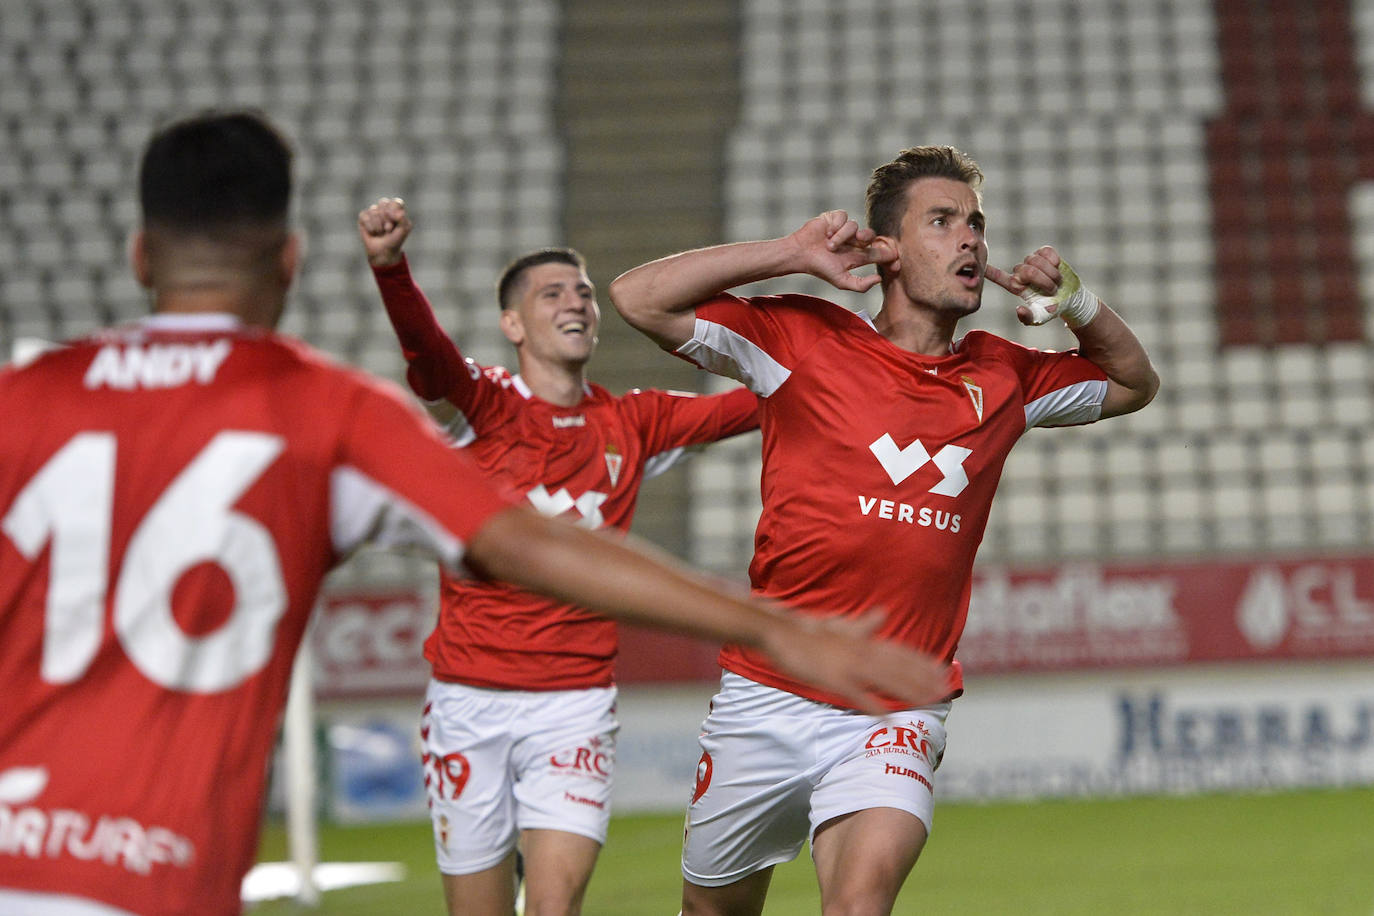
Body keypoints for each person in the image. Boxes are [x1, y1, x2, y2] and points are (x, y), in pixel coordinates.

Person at [0, 111, 954, 916]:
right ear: (290, 261)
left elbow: (785, 400)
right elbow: (523, 542)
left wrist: (853, 372)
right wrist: (773, 627)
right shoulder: (326, 411)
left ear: (136, 255)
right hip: (192, 857)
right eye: (556, 294)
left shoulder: (21, 397)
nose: (578, 305)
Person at [608, 145, 1160, 915]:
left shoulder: (1005, 375)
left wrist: (1075, 300)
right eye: (943, 222)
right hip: (767, 695)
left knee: (858, 906)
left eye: (977, 223)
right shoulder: (802, 341)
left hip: (896, 704)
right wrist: (791, 254)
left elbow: (1135, 383)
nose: (971, 239)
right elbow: (638, 298)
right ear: (888, 250)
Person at [356, 197, 761, 916]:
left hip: (573, 707)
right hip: (467, 704)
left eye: (582, 293)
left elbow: (757, 403)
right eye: (552, 294)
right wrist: (391, 269)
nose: (576, 303)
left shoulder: (631, 421)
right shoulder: (481, 409)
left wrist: (857, 356)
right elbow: (429, 360)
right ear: (513, 324)